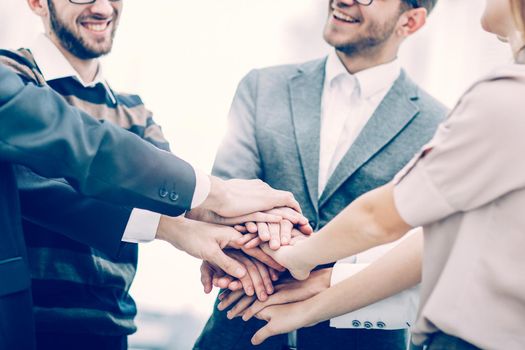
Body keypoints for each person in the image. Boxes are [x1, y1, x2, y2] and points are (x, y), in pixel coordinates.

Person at [0, 1, 304, 348]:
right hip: (26, 325)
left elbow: (175, 198)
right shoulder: (11, 76)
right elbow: (33, 190)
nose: (102, 7)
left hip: (111, 328)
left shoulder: (135, 111)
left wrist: (253, 238)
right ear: (39, 3)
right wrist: (186, 224)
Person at [247, 0, 525, 349]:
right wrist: (314, 302)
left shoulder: (505, 98)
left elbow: (380, 218)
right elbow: (433, 241)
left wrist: (296, 257)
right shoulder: (263, 85)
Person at [194, 0, 447, 349]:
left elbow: (420, 245)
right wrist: (248, 247)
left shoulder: (439, 126)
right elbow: (221, 199)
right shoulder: (262, 86)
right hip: (239, 331)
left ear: (411, 21)